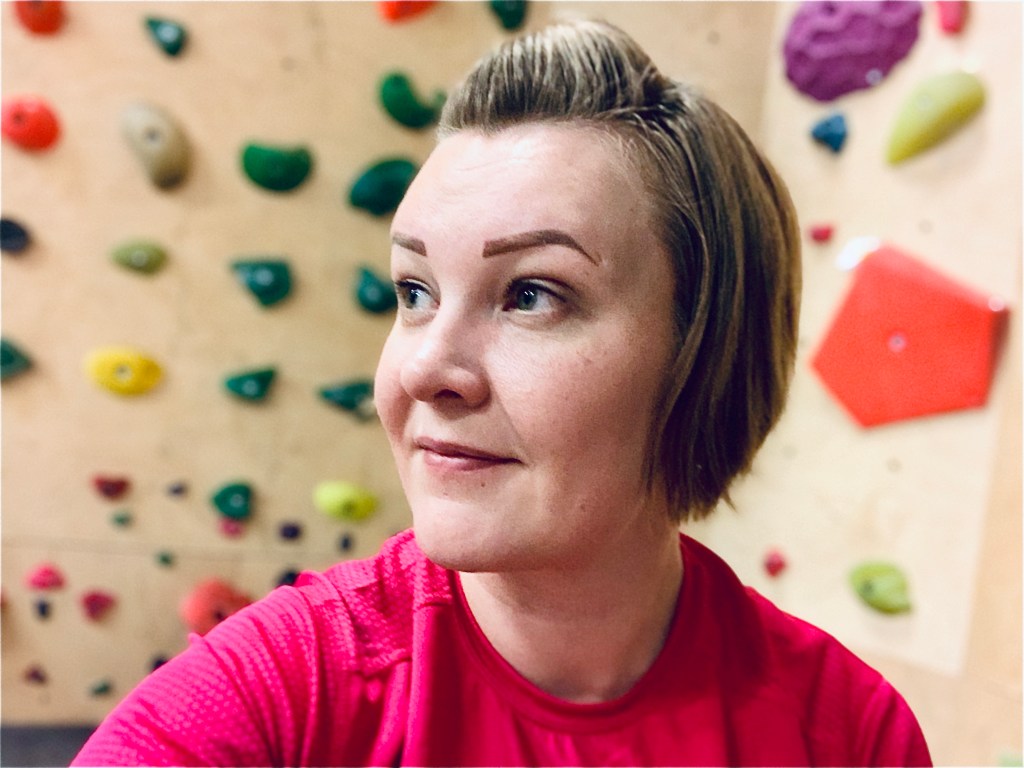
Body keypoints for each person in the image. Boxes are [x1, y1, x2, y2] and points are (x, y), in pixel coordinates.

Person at [73, 19, 931, 767]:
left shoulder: (847, 733)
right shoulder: (275, 691)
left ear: (707, 351)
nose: (423, 370)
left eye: (531, 295)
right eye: (414, 292)